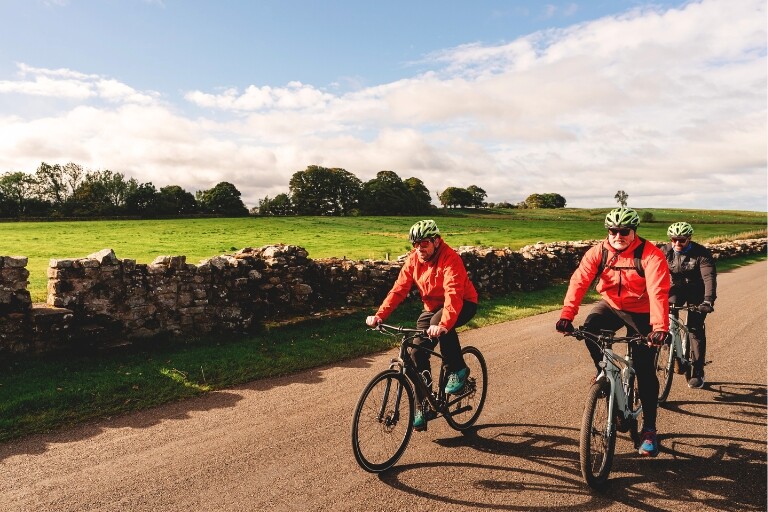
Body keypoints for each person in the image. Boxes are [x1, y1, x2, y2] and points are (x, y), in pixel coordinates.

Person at [555, 207, 671, 457]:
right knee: (589, 330)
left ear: (634, 231)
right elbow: (579, 281)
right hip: (611, 305)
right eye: (613, 231)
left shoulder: (651, 255)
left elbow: (658, 292)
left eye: (624, 231)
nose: (618, 236)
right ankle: (605, 375)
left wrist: (660, 328)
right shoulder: (599, 252)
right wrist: (566, 315)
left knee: (644, 368)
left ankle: (649, 430)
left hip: (642, 311)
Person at [366, 219, 479, 431]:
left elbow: (453, 294)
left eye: (424, 243)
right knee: (416, 353)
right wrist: (380, 315)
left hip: (463, 303)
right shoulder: (414, 260)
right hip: (432, 307)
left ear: (436, 241)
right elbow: (398, 290)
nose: (419, 248)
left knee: (440, 325)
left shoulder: (450, 258)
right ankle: (423, 405)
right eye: (415, 244)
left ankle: (458, 370)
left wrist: (444, 324)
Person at [661, 222, 717, 389]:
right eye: (674, 240)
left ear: (689, 238)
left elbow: (709, 278)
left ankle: (698, 371)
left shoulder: (701, 253)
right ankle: (670, 342)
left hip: (697, 291)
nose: (677, 243)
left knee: (694, 328)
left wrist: (708, 300)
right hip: (676, 288)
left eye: (682, 240)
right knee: (665, 311)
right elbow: (653, 272)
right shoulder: (665, 251)